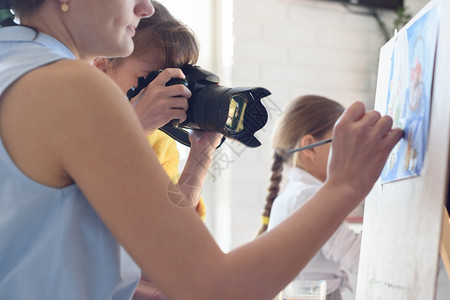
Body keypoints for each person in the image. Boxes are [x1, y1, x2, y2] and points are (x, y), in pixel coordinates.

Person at [0, 1, 403, 299]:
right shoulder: (74, 87)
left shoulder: (13, 63)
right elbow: (217, 289)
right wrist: (344, 186)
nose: (144, 7)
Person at [92, 2, 221, 298]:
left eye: (175, 81)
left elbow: (175, 234)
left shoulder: (161, 141)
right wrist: (137, 127)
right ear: (102, 68)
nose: (162, 94)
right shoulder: (75, 120)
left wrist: (201, 154)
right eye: (151, 79)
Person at [257, 95, 361, 300]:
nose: (350, 150)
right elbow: (359, 257)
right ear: (310, 147)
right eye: (342, 141)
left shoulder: (294, 194)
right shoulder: (308, 196)